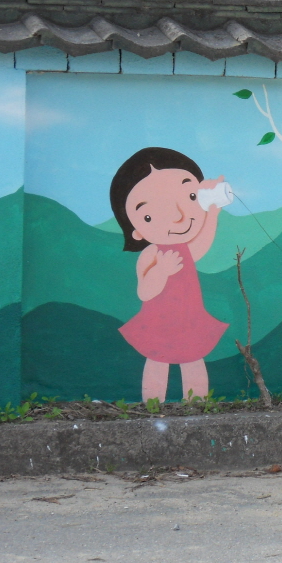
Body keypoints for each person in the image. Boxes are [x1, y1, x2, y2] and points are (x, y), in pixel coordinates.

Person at [109, 147, 229, 403]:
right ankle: (153, 404)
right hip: (159, 322)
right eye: (148, 216)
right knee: (157, 361)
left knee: (193, 359)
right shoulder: (151, 254)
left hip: (189, 318)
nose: (178, 216)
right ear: (136, 232)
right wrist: (160, 272)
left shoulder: (183, 249)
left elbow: (202, 244)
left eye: (191, 196)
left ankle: (197, 404)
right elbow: (144, 291)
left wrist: (213, 214)